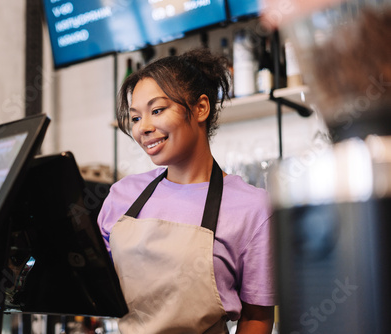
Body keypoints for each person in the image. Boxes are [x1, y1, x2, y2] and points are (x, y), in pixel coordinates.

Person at [98, 48, 275, 333]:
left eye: (157, 110)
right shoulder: (122, 196)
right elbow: (92, 285)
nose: (143, 127)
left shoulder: (253, 209)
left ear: (201, 108)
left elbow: (257, 317)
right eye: (134, 118)